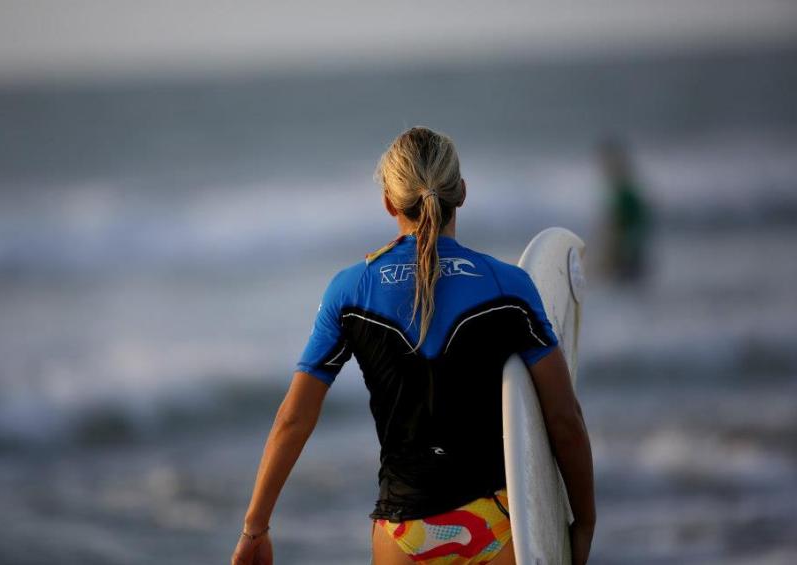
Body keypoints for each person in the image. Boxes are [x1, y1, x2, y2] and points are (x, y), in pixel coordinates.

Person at [232, 127, 595, 565]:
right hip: (496, 524)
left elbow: (294, 419)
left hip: (403, 532)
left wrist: (255, 526)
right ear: (461, 192)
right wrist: (583, 521)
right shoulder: (508, 287)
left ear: (389, 202)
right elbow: (564, 420)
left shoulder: (351, 290)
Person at [597, 136, 651, 284]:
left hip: (627, 260)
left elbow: (617, 232)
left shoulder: (625, 195)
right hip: (632, 259)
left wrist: (607, 261)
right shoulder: (625, 192)